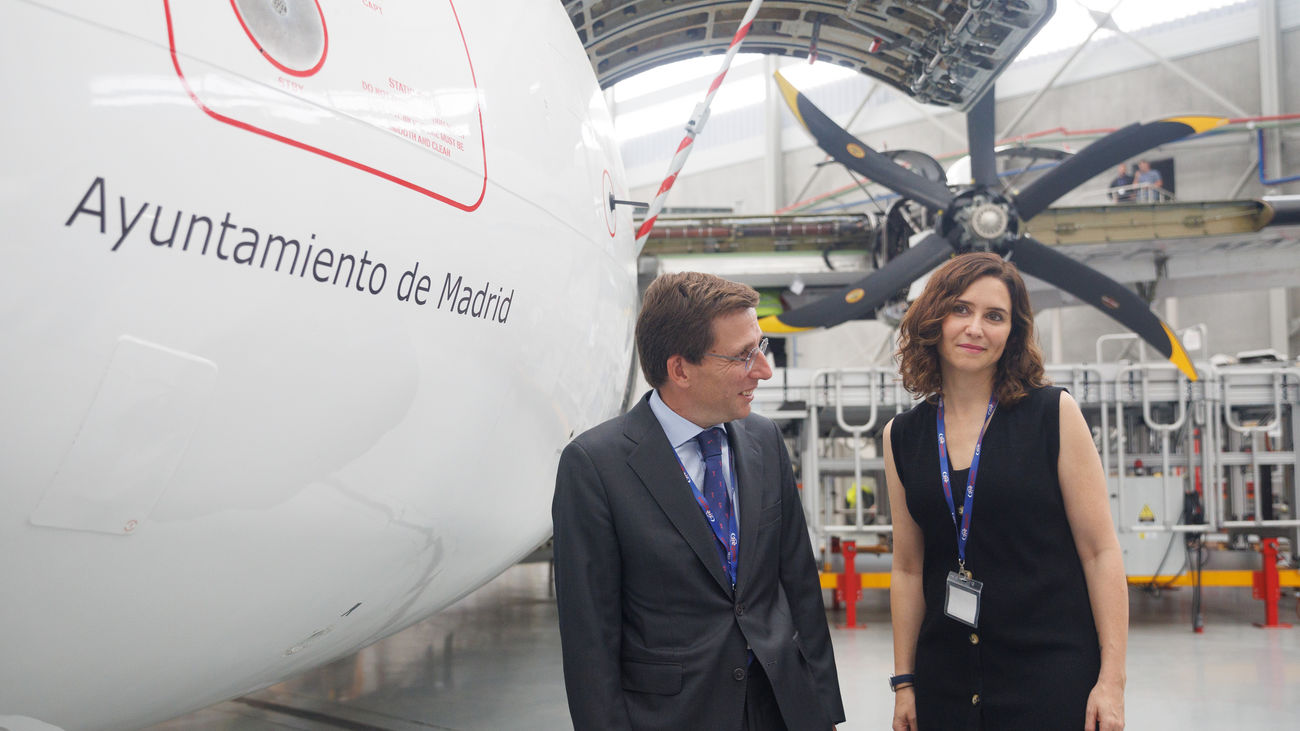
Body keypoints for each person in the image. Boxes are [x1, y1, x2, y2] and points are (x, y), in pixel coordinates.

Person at [553, 271, 845, 731]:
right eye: (743, 356)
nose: (764, 370)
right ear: (680, 369)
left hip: (778, 707)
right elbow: (589, 639)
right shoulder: (595, 467)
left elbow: (800, 587)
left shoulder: (763, 440)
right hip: (674, 715)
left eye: (761, 347)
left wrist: (822, 712)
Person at [884, 253, 1127, 731]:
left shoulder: (1053, 415)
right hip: (945, 680)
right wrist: (905, 682)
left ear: (1012, 333)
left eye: (994, 316)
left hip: (1050, 676)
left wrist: (1112, 681)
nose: (976, 327)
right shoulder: (902, 436)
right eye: (961, 309)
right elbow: (908, 568)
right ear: (934, 317)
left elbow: (1100, 553)